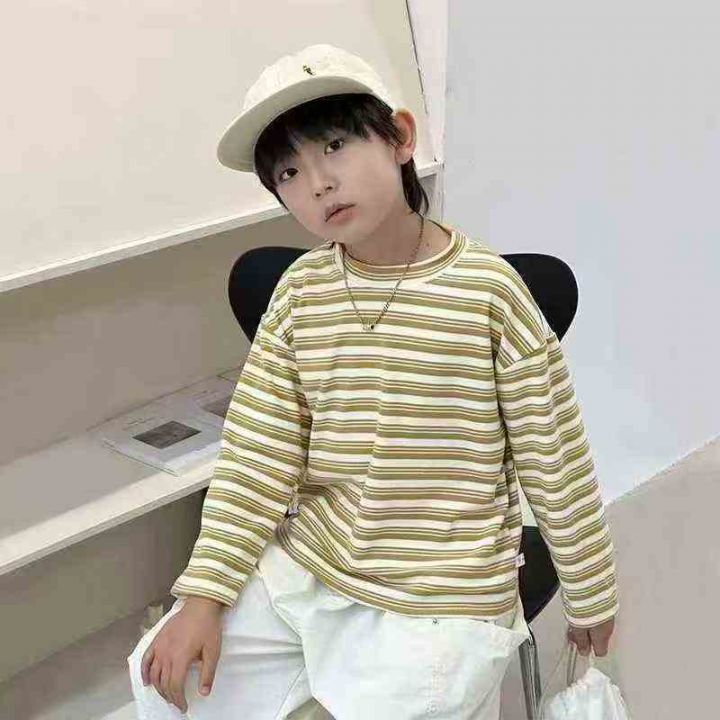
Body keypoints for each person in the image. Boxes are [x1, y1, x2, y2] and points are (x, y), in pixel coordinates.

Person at [127, 43, 619, 719]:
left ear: (401, 139)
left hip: (444, 593)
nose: (318, 183)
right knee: (163, 679)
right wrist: (204, 595)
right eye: (289, 171)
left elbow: (552, 454)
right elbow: (255, 456)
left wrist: (590, 589)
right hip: (315, 566)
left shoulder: (489, 293)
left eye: (335, 145)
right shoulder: (300, 294)